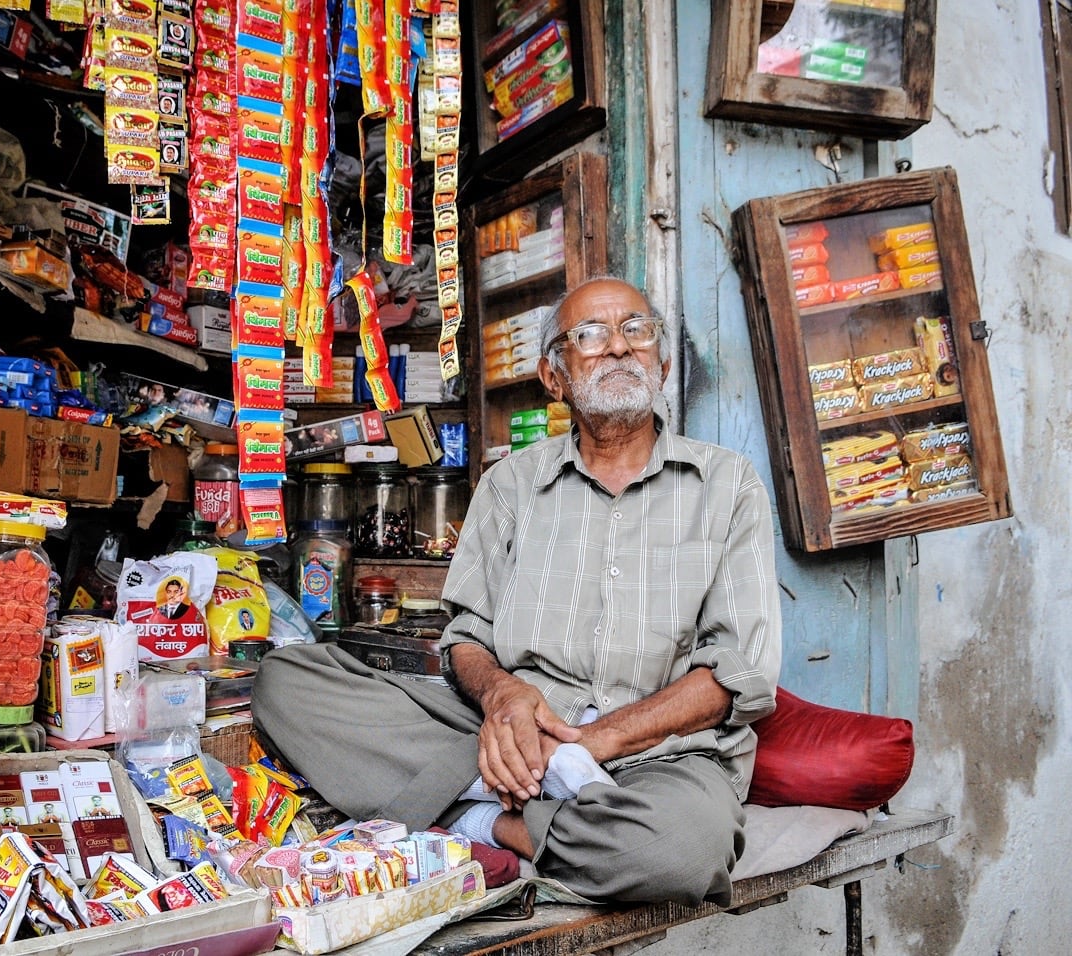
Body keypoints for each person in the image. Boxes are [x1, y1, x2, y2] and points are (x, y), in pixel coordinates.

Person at [253, 276, 781, 907]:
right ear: (554, 377)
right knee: (286, 680)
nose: (618, 347)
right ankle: (509, 785)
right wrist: (504, 696)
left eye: (636, 331)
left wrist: (594, 740)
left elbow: (738, 674)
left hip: (657, 757)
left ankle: (485, 821)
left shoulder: (728, 484)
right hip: (507, 730)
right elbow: (466, 640)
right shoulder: (510, 485)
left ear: (662, 364)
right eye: (590, 335)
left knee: (680, 850)